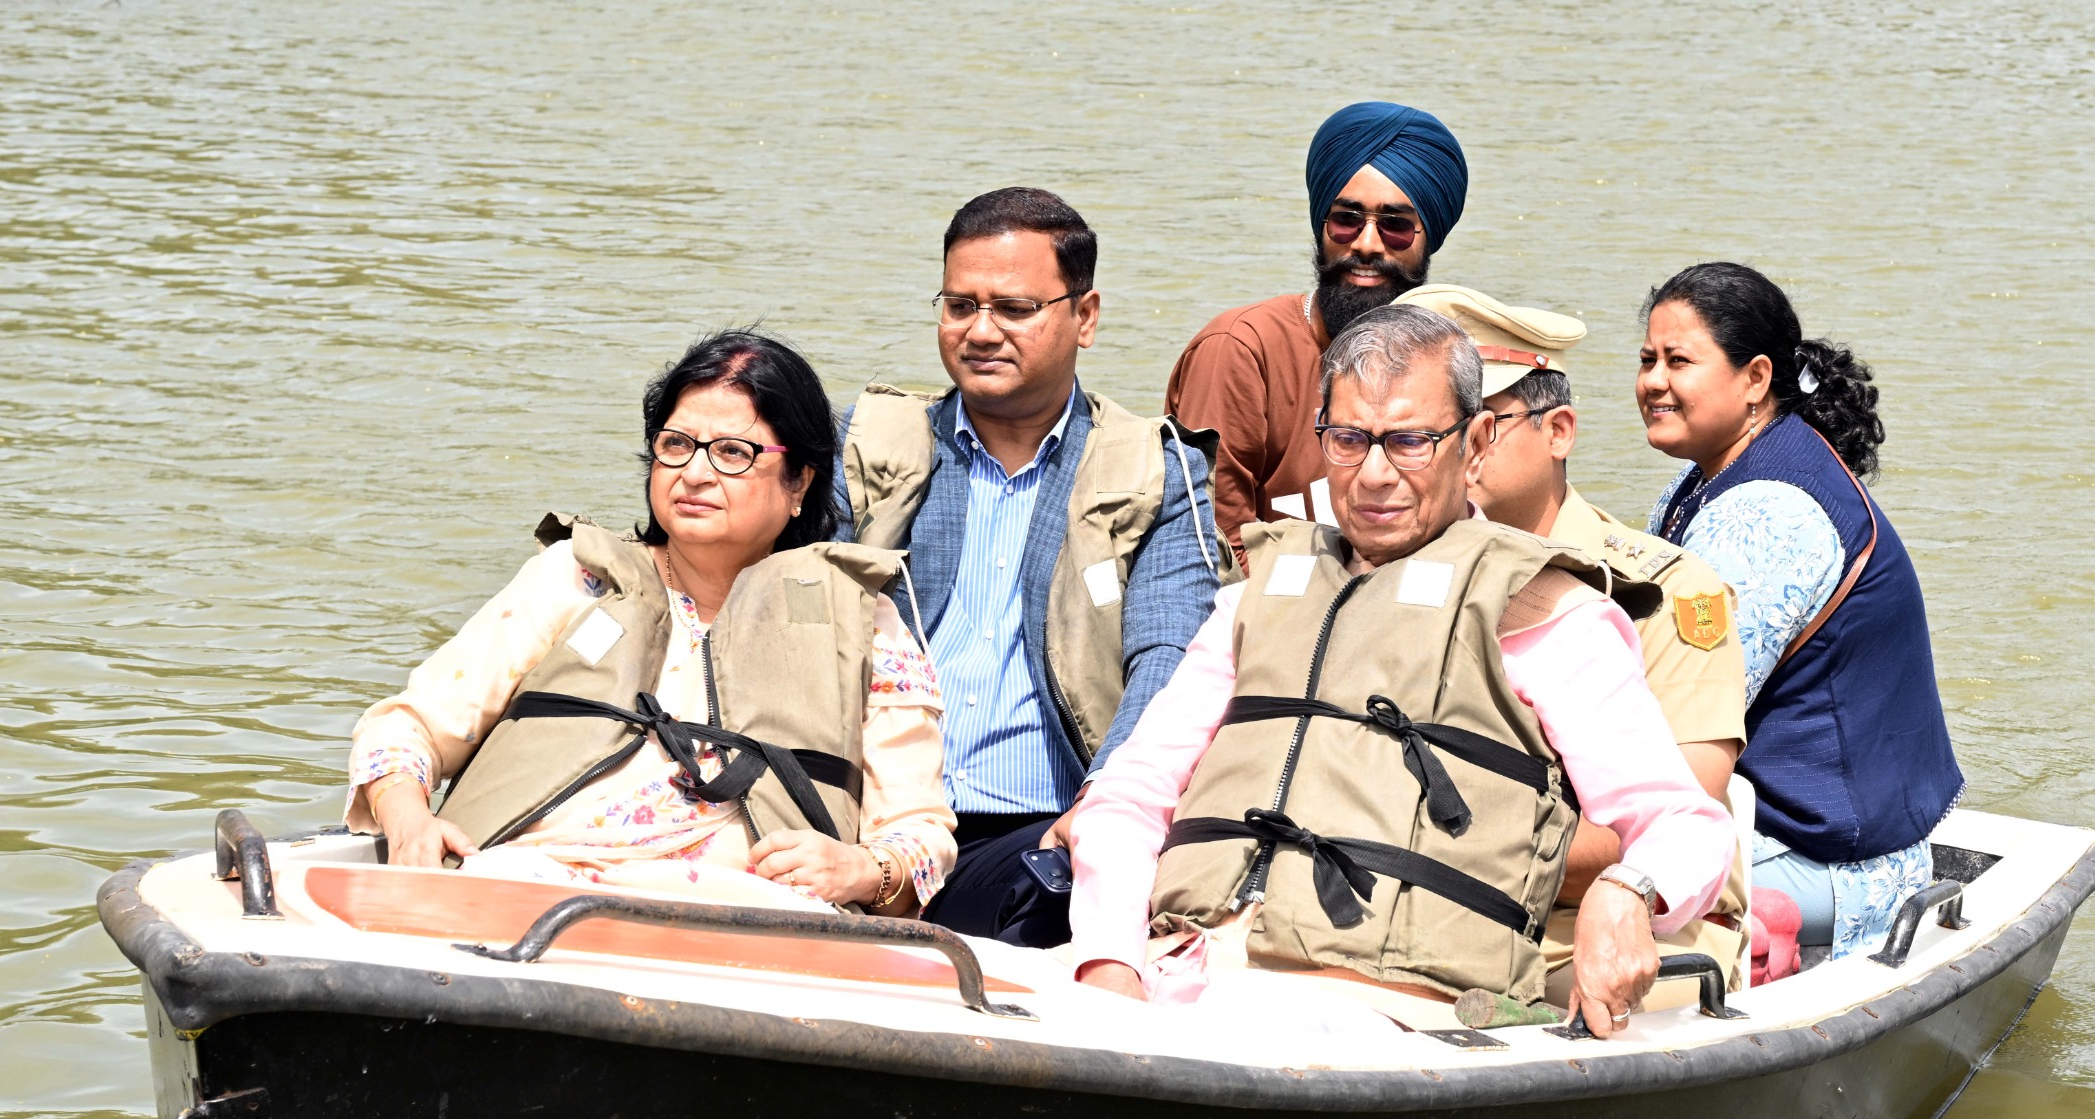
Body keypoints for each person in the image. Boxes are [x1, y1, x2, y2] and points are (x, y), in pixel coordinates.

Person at [1070, 306, 1733, 1037]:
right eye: (1349, 440)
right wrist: (1109, 962)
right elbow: (1132, 793)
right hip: (1178, 972)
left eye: (1410, 442)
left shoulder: (1552, 617)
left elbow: (1684, 824)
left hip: (1389, 1010)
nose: (1375, 475)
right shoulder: (1250, 601)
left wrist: (1630, 888)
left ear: (1474, 443)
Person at [348, 329, 956, 916]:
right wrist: (409, 822)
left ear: (799, 481)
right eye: (676, 444)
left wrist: (862, 871)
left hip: (745, 916)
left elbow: (919, 834)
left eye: (733, 452)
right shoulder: (576, 579)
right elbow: (405, 730)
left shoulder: (865, 626)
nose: (694, 473)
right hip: (522, 884)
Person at [835, 187, 1222, 947]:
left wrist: (1105, 804)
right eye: (959, 306)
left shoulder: (1158, 469)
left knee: (1061, 891)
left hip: (1042, 827)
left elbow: (1168, 658)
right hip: (872, 813)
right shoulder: (868, 445)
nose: (981, 332)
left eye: (1015, 309)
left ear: (1086, 316)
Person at [1396, 282, 1753, 990]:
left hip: (1612, 923)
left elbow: (1674, 828)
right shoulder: (1393, 577)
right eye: (1427, 425)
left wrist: (1423, 839)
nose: (1453, 446)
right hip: (1419, 903)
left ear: (1558, 431)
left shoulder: (1666, 593)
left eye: (1481, 421)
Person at [1637, 261, 1965, 959]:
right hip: (1805, 826)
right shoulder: (1707, 480)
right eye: (1647, 360)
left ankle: (1766, 935)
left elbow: (1679, 711)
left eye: (1678, 361)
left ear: (1755, 378)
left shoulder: (1766, 516)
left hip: (1829, 862)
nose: (1653, 382)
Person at [1164, 101, 1468, 550]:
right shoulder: (1242, 351)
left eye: (1395, 226)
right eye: (1346, 220)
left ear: (1428, 239)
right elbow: (1208, 544)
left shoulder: (1450, 360)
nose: (1367, 244)